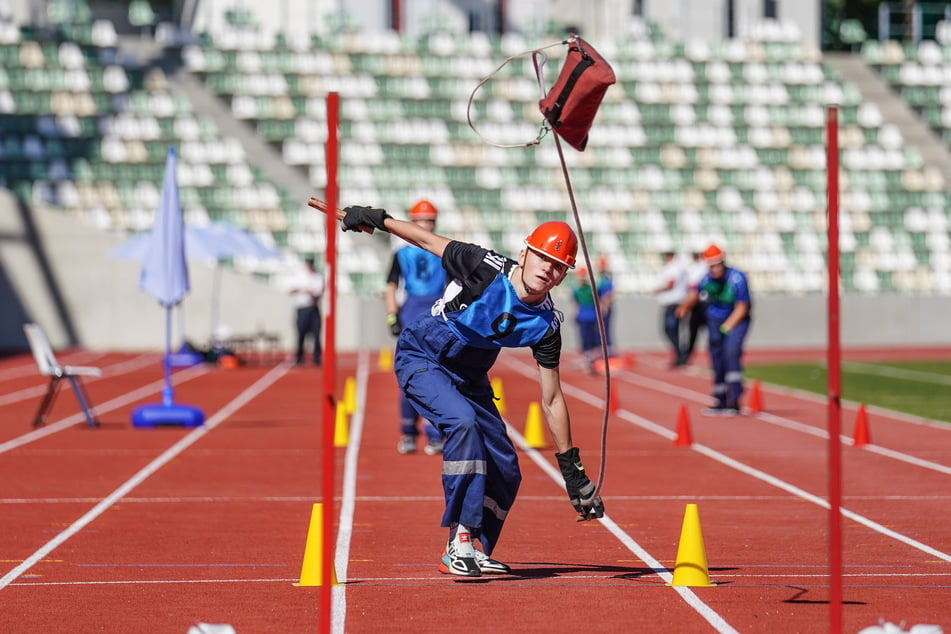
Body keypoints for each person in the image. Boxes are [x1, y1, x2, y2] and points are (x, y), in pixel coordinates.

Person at [337, 205, 605, 578]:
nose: (547, 269)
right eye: (542, 258)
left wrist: (572, 469)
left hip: (472, 375)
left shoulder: (546, 325)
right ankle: (458, 540)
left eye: (558, 266)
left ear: (562, 277)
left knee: (507, 468)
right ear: (525, 254)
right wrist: (378, 219)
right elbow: (425, 239)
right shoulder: (483, 266)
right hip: (425, 353)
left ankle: (474, 541)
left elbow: (553, 398)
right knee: (463, 425)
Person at [384, 200, 448, 455]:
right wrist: (392, 315)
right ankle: (413, 433)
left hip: (429, 314)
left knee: (435, 377)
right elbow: (390, 286)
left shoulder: (405, 252)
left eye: (428, 221)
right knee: (412, 376)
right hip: (421, 314)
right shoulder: (439, 250)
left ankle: (429, 434)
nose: (425, 225)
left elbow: (390, 286)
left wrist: (392, 316)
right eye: (422, 221)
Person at [676, 244, 752, 415]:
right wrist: (684, 307)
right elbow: (695, 294)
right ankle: (720, 399)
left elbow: (742, 307)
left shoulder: (737, 279)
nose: (715, 269)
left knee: (731, 354)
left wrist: (727, 326)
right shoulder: (706, 279)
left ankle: (735, 398)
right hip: (715, 321)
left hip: (735, 322)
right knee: (716, 358)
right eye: (711, 266)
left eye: (718, 265)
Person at [652, 250, 688, 367]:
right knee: (671, 330)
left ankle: (681, 355)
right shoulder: (672, 267)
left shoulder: (675, 268)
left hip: (674, 303)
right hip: (671, 303)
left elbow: (670, 284)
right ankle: (679, 355)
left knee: (671, 329)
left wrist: (657, 290)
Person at [288, 256, 323, 366]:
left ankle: (317, 357)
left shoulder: (318, 276)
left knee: (316, 333)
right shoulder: (299, 275)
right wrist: (304, 290)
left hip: (313, 308)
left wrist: (308, 291)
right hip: (302, 308)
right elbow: (291, 289)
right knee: (301, 333)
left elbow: (318, 291)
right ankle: (299, 356)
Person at [681, 251, 708, 365]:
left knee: (711, 332)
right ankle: (687, 356)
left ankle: (716, 357)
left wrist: (684, 306)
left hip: (704, 303)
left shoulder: (705, 267)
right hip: (694, 304)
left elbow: (697, 289)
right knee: (692, 332)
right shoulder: (691, 268)